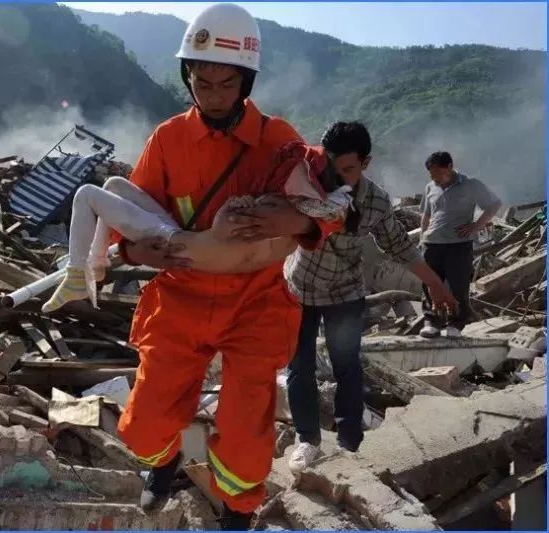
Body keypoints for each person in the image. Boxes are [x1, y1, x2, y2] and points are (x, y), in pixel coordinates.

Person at [107, 4, 341, 529]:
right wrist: (136, 252)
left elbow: (326, 214)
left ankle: (237, 511)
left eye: (225, 83)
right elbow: (133, 218)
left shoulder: (279, 140)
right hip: (183, 293)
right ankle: (162, 463)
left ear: (246, 81)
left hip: (255, 300)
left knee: (245, 428)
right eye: (201, 80)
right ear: (186, 75)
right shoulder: (169, 140)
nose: (212, 94)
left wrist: (296, 224)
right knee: (145, 425)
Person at [227, 121, 459, 473]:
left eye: (348, 169)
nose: (336, 177)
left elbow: (399, 245)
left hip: (344, 294)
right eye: (330, 167)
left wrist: (436, 285)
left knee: (347, 366)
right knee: (299, 367)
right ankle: (308, 440)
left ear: (366, 163)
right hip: (299, 289)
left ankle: (350, 442)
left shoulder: (375, 202)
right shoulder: (303, 185)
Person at [41, 148, 353, 312]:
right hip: (181, 238)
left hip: (181, 246)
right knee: (113, 184)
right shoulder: (284, 215)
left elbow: (229, 229)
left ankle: (76, 276)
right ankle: (96, 266)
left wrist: (238, 210)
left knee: (86, 195)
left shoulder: (276, 215)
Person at [419, 151, 502, 338]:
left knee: (459, 285)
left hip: (458, 244)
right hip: (432, 244)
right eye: (432, 176)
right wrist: (422, 237)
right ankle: (431, 321)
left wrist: (475, 226)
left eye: (438, 174)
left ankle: (455, 323)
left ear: (449, 166)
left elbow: (494, 204)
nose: (436, 180)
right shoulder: (430, 187)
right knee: (430, 284)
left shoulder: (471, 185)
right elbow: (425, 215)